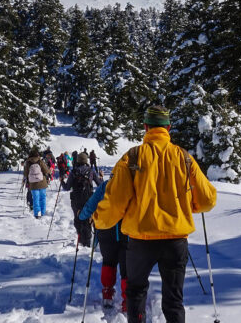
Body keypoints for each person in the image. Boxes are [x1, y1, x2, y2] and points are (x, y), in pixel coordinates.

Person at [94, 105, 217, 323]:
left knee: (135, 292)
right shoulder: (184, 157)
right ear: (168, 128)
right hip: (176, 240)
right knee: (174, 300)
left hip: (141, 241)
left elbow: (115, 203)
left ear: (146, 127)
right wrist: (189, 207)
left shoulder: (132, 158)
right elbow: (208, 199)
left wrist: (99, 220)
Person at [80, 175, 128, 312]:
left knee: (108, 262)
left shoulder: (106, 185)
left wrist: (82, 215)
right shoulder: (131, 185)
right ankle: (128, 301)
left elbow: (91, 203)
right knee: (127, 267)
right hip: (126, 232)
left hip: (105, 231)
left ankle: (107, 294)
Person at [62, 151, 102, 246]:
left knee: (78, 218)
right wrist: (101, 177)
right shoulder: (91, 171)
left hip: (76, 199)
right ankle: (87, 240)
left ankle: (80, 237)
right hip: (89, 199)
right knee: (87, 219)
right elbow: (100, 185)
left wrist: (62, 181)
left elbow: (67, 187)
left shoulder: (73, 172)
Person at [23, 147, 51, 219]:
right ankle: (43, 212)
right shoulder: (40, 161)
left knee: (35, 199)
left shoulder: (27, 163)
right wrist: (49, 171)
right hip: (42, 182)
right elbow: (46, 171)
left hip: (33, 184)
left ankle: (37, 214)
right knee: (42, 198)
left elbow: (25, 174)